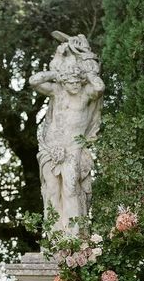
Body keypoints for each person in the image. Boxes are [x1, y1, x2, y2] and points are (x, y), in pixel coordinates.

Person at [29, 32, 104, 234]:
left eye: (76, 81)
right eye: (69, 81)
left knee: (71, 188)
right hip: (51, 146)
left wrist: (86, 69)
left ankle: (74, 236)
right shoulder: (57, 91)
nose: (73, 85)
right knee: (51, 191)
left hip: (73, 147)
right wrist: (56, 74)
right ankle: (54, 237)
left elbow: (99, 86)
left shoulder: (86, 94)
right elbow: (34, 81)